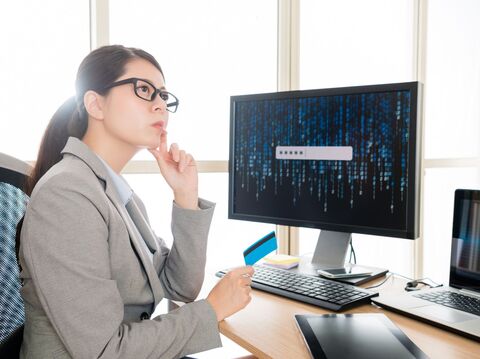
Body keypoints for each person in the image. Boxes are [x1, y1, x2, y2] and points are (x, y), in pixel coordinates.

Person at [17, 44, 254, 359]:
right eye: (144, 90)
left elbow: (179, 286)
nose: (161, 106)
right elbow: (104, 351)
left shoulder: (117, 193)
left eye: (164, 96)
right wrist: (211, 310)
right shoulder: (67, 193)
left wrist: (185, 196)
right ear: (95, 104)